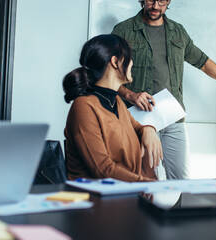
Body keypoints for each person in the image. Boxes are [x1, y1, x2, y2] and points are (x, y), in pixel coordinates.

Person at [112, 0, 216, 179]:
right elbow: (107, 75)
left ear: (169, 1)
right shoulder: (124, 30)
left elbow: (203, 62)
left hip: (173, 118)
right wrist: (131, 95)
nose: (156, 5)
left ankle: (177, 213)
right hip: (138, 118)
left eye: (162, 0)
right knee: (144, 182)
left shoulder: (177, 32)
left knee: (181, 182)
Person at [63, 34, 163, 182]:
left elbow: (138, 127)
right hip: (94, 199)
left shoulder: (116, 101)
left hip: (125, 194)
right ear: (115, 61)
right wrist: (147, 184)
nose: (132, 63)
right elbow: (102, 170)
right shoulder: (83, 106)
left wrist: (148, 129)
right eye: (129, 58)